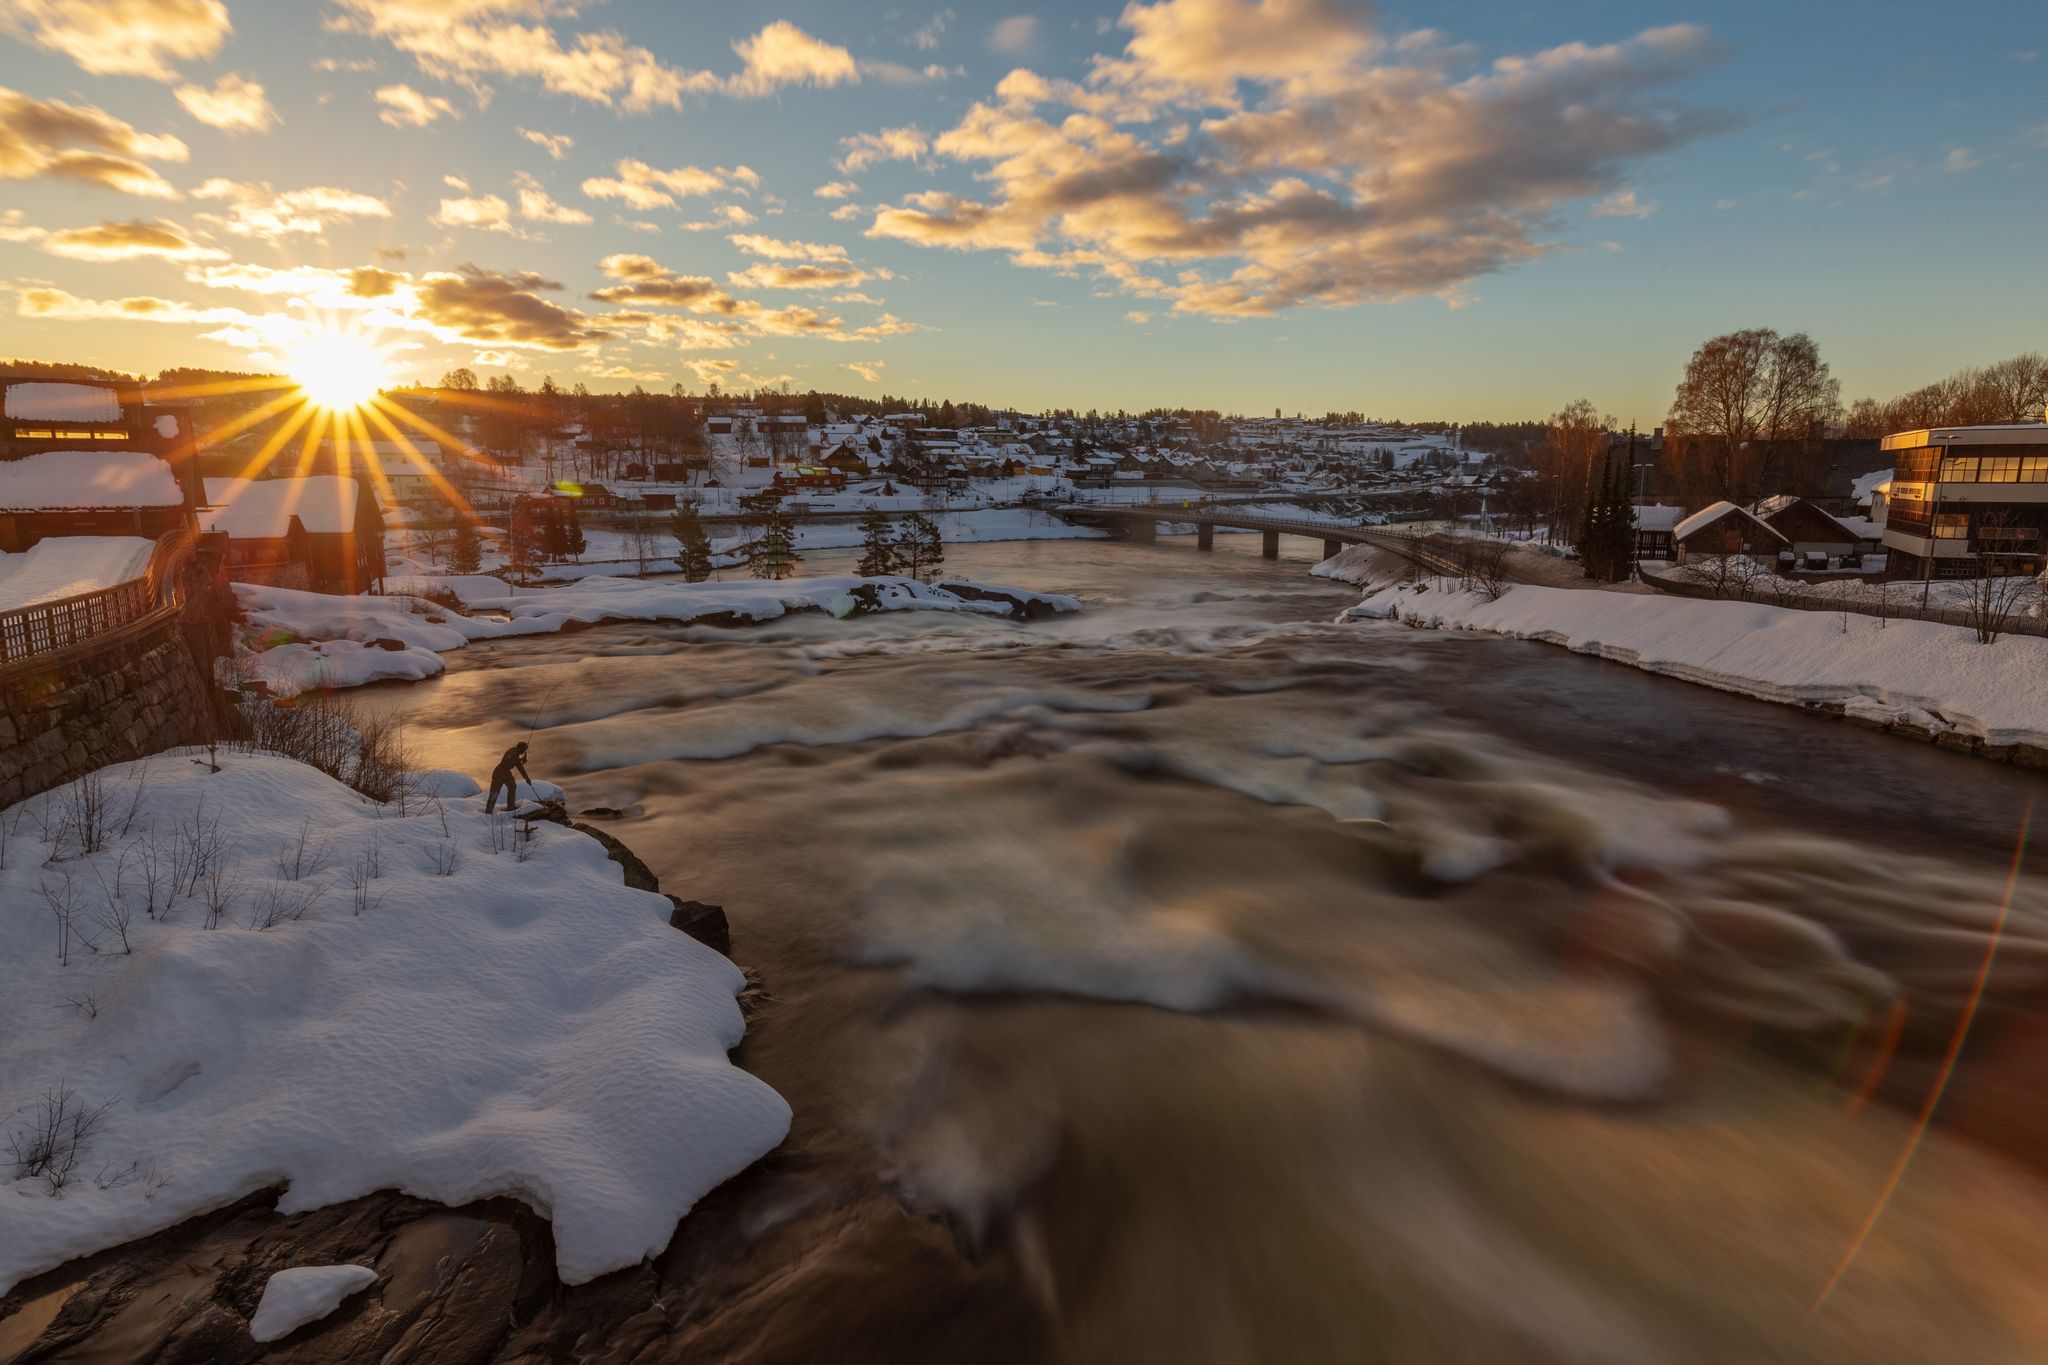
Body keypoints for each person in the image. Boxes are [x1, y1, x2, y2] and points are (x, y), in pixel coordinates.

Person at [485, 741, 532, 814]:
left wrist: (520, 761)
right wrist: (526, 777)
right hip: (500, 772)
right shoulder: (513, 752)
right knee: (495, 792)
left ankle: (510, 806)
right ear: (521, 748)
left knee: (512, 786)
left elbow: (516, 763)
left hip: (505, 772)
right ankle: (488, 811)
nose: (524, 751)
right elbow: (508, 762)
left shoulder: (514, 752)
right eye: (524, 749)